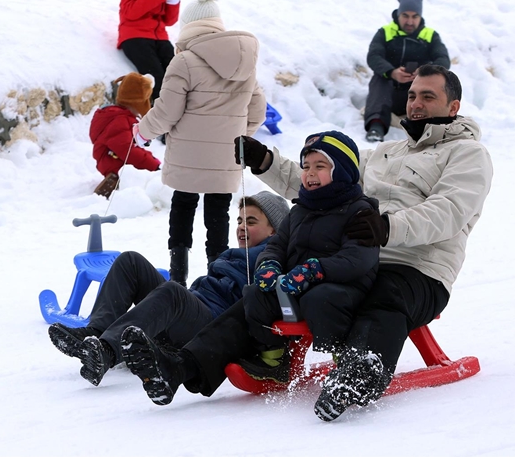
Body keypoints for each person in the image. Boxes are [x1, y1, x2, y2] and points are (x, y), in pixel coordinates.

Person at [119, 65, 494, 423]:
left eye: (428, 96)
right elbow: (329, 180)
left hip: (418, 269)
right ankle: (181, 366)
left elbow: (449, 211)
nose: (415, 103)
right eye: (412, 94)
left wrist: (386, 227)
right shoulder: (387, 153)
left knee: (385, 295)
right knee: (261, 294)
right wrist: (266, 161)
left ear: (453, 106)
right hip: (357, 260)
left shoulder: (467, 154)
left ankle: (357, 379)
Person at [48, 191, 289, 387]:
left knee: (173, 291)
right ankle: (96, 332)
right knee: (130, 261)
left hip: (209, 326)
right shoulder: (236, 254)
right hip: (191, 311)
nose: (241, 227)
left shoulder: (269, 259)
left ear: (274, 231)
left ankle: (106, 351)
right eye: (239, 220)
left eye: (251, 221)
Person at [135, 0, 266, 287]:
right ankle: (216, 280)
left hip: (186, 156)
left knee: (183, 206)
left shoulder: (184, 61)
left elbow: (167, 113)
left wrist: (141, 131)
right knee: (218, 214)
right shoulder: (245, 63)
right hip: (226, 156)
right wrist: (236, 136)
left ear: (189, 25)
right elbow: (257, 110)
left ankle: (177, 279)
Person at [238, 132, 380, 384]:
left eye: (320, 166)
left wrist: (316, 269)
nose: (309, 173)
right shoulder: (300, 209)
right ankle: (274, 358)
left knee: (321, 299)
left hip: (344, 287)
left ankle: (343, 358)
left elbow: (357, 259)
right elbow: (278, 245)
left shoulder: (360, 210)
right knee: (254, 294)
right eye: (305, 166)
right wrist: (268, 264)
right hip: (294, 284)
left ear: (343, 171)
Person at [363, 0, 450, 143]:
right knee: (380, 77)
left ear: (420, 17)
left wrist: (424, 72)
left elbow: (443, 60)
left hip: (416, 93)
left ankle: (427, 128)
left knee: (436, 82)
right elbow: (374, 56)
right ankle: (376, 125)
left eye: (414, 17)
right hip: (388, 93)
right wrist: (392, 72)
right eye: (405, 16)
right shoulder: (384, 32)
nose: (410, 21)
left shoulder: (430, 36)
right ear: (398, 14)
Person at [90, 72, 161, 198]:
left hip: (109, 158)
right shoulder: (119, 120)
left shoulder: (117, 115)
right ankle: (116, 182)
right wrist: (154, 166)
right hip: (113, 162)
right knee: (145, 176)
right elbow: (128, 151)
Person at [116, 0, 181, 104]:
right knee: (157, 79)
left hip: (160, 37)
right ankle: (160, 119)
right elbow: (130, 11)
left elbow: (169, 20)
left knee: (178, 75)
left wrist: (173, 2)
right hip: (135, 35)